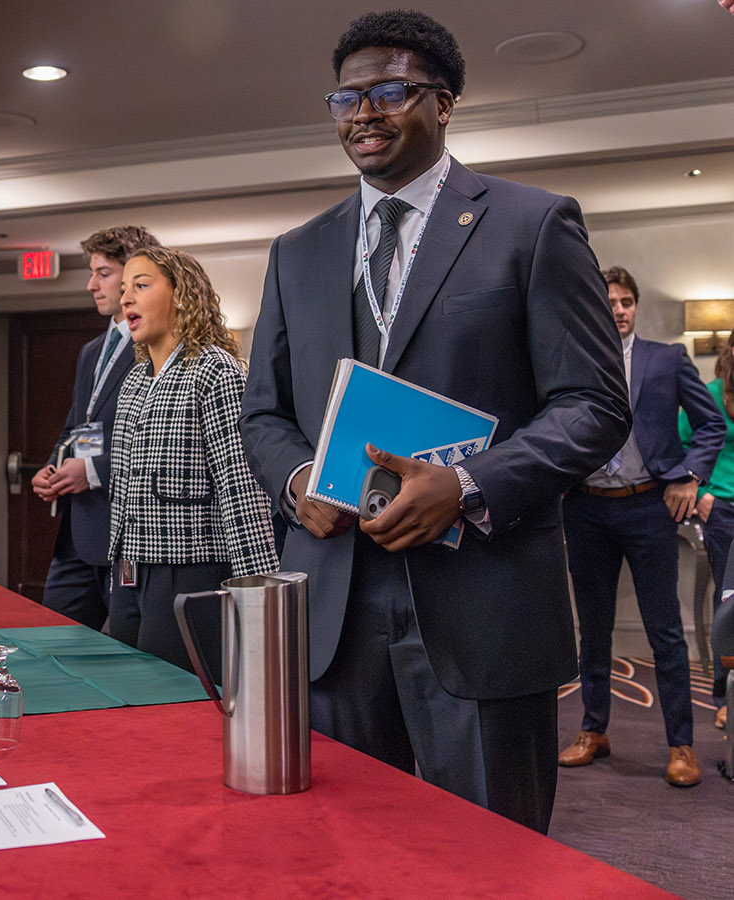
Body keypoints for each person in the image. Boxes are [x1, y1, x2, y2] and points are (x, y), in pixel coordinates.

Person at [239, 9, 630, 833]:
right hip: (332, 610)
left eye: (392, 91)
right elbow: (264, 414)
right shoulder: (297, 251)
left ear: (444, 104)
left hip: (481, 602)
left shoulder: (532, 224)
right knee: (341, 852)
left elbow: (594, 405)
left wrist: (467, 485)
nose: (365, 114)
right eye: (347, 99)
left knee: (491, 858)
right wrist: (300, 478)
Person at [557, 266, 722, 786]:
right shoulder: (575, 361)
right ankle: (594, 729)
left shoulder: (667, 359)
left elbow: (710, 424)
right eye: (610, 301)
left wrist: (690, 477)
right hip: (586, 508)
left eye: (627, 300)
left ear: (635, 306)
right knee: (594, 629)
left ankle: (682, 744)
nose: (620, 309)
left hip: (650, 507)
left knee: (665, 632)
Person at [106, 246, 279, 671]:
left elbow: (241, 488)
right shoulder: (134, 379)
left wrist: (260, 590)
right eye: (123, 289)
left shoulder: (215, 370)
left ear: (181, 294)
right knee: (129, 685)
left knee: (175, 700)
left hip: (191, 569)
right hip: (131, 568)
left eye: (141, 286)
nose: (125, 298)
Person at [30, 225, 160, 628]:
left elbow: (157, 438)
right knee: (57, 637)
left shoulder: (156, 344)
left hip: (127, 523)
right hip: (77, 524)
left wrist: (92, 470)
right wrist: (51, 465)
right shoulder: (91, 351)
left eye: (102, 272)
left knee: (124, 654)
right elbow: (77, 424)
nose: (91, 284)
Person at [682, 331, 734, 732]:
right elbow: (681, 446)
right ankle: (725, 696)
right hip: (722, 510)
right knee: (728, 600)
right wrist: (700, 492)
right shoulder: (710, 393)